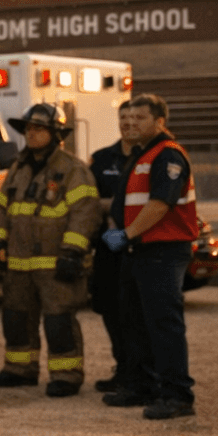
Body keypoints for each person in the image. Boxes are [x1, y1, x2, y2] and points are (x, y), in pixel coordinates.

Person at [0, 104, 101, 396]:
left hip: (55, 262)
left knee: (58, 320)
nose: (31, 134)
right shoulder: (18, 169)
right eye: (28, 129)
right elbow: (2, 208)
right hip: (19, 262)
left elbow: (85, 212)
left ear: (56, 133)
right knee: (15, 318)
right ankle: (19, 370)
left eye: (38, 128)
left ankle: (66, 376)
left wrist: (72, 251)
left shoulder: (72, 170)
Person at [101, 94, 198, 420]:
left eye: (141, 118)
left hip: (162, 250)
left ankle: (177, 395)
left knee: (163, 324)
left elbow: (160, 204)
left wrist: (127, 234)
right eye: (129, 117)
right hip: (140, 250)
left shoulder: (168, 155)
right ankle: (141, 385)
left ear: (160, 121)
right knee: (135, 320)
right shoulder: (143, 155)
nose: (133, 123)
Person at [87, 99, 143, 392]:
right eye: (124, 118)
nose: (129, 124)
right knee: (108, 308)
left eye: (135, 118)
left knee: (135, 312)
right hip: (107, 248)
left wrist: (112, 207)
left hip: (138, 248)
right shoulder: (101, 159)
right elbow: (87, 202)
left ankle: (140, 373)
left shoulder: (149, 158)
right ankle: (123, 368)